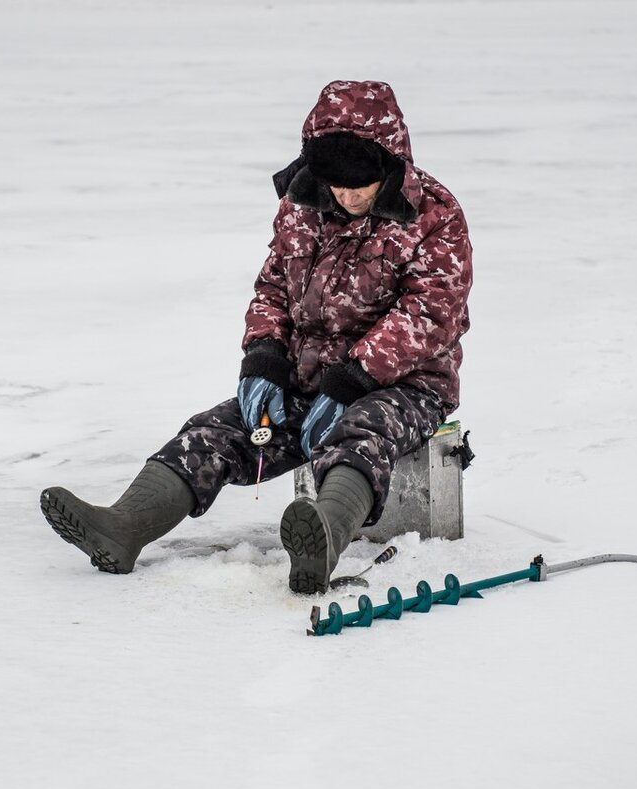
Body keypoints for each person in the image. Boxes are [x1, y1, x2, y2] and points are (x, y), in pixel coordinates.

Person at [40, 80, 473, 594]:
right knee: (215, 432)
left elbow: (430, 313)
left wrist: (354, 378)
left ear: (390, 165)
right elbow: (273, 286)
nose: (348, 195)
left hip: (405, 385)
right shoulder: (302, 205)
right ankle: (123, 527)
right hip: (308, 377)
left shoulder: (435, 216)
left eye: (362, 182)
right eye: (337, 181)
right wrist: (264, 357)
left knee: (362, 433)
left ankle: (325, 542)